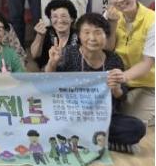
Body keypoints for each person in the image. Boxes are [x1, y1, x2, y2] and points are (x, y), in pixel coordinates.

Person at [45, 13, 146, 154]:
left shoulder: (114, 59)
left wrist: (116, 88)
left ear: (106, 36)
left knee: (136, 128)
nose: (92, 38)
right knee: (46, 123)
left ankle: (82, 140)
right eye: (86, 32)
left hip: (103, 118)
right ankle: (101, 141)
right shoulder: (68, 53)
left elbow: (121, 96)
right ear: (79, 35)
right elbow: (49, 84)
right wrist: (52, 63)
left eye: (98, 32)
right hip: (70, 116)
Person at [103, 0, 155, 126]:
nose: (119, 0)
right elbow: (108, 48)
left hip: (147, 83)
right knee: (106, 111)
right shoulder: (111, 15)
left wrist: (121, 77)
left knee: (129, 119)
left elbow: (146, 64)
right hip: (120, 80)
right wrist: (112, 23)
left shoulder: (152, 21)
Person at [30, 0, 78, 69]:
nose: (60, 20)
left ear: (72, 19)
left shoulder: (79, 35)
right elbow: (34, 55)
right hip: (49, 72)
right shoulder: (45, 32)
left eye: (63, 16)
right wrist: (40, 36)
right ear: (51, 19)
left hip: (75, 74)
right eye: (55, 16)